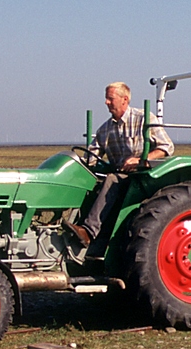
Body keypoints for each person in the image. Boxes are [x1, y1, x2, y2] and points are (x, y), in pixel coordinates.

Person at [64, 82, 173, 249]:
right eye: (106, 98)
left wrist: (140, 160)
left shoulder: (144, 119)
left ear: (125, 99)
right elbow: (91, 158)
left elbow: (166, 147)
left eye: (110, 98)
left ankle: (89, 232)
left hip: (143, 176)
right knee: (92, 181)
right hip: (121, 175)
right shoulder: (105, 129)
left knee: (111, 180)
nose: (106, 102)